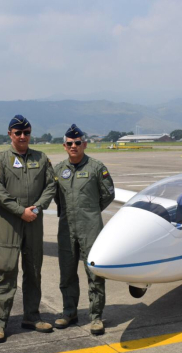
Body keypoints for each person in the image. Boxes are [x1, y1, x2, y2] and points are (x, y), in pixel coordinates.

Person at [0, 114, 56, 343]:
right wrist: (21, 211)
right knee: (5, 271)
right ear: (10, 134)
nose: (23, 136)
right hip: (11, 223)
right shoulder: (0, 161)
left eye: (26, 132)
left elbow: (50, 186)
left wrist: (37, 208)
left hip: (34, 222)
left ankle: (32, 316)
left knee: (33, 269)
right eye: (18, 133)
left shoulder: (42, 158)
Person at [53, 124, 115, 335]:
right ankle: (69, 312)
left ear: (84, 144)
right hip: (66, 227)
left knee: (94, 272)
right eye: (70, 143)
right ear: (64, 146)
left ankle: (96, 316)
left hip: (91, 228)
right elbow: (56, 198)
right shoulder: (59, 170)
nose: (74, 146)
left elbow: (108, 194)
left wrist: (91, 212)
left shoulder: (97, 168)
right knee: (67, 272)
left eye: (77, 143)